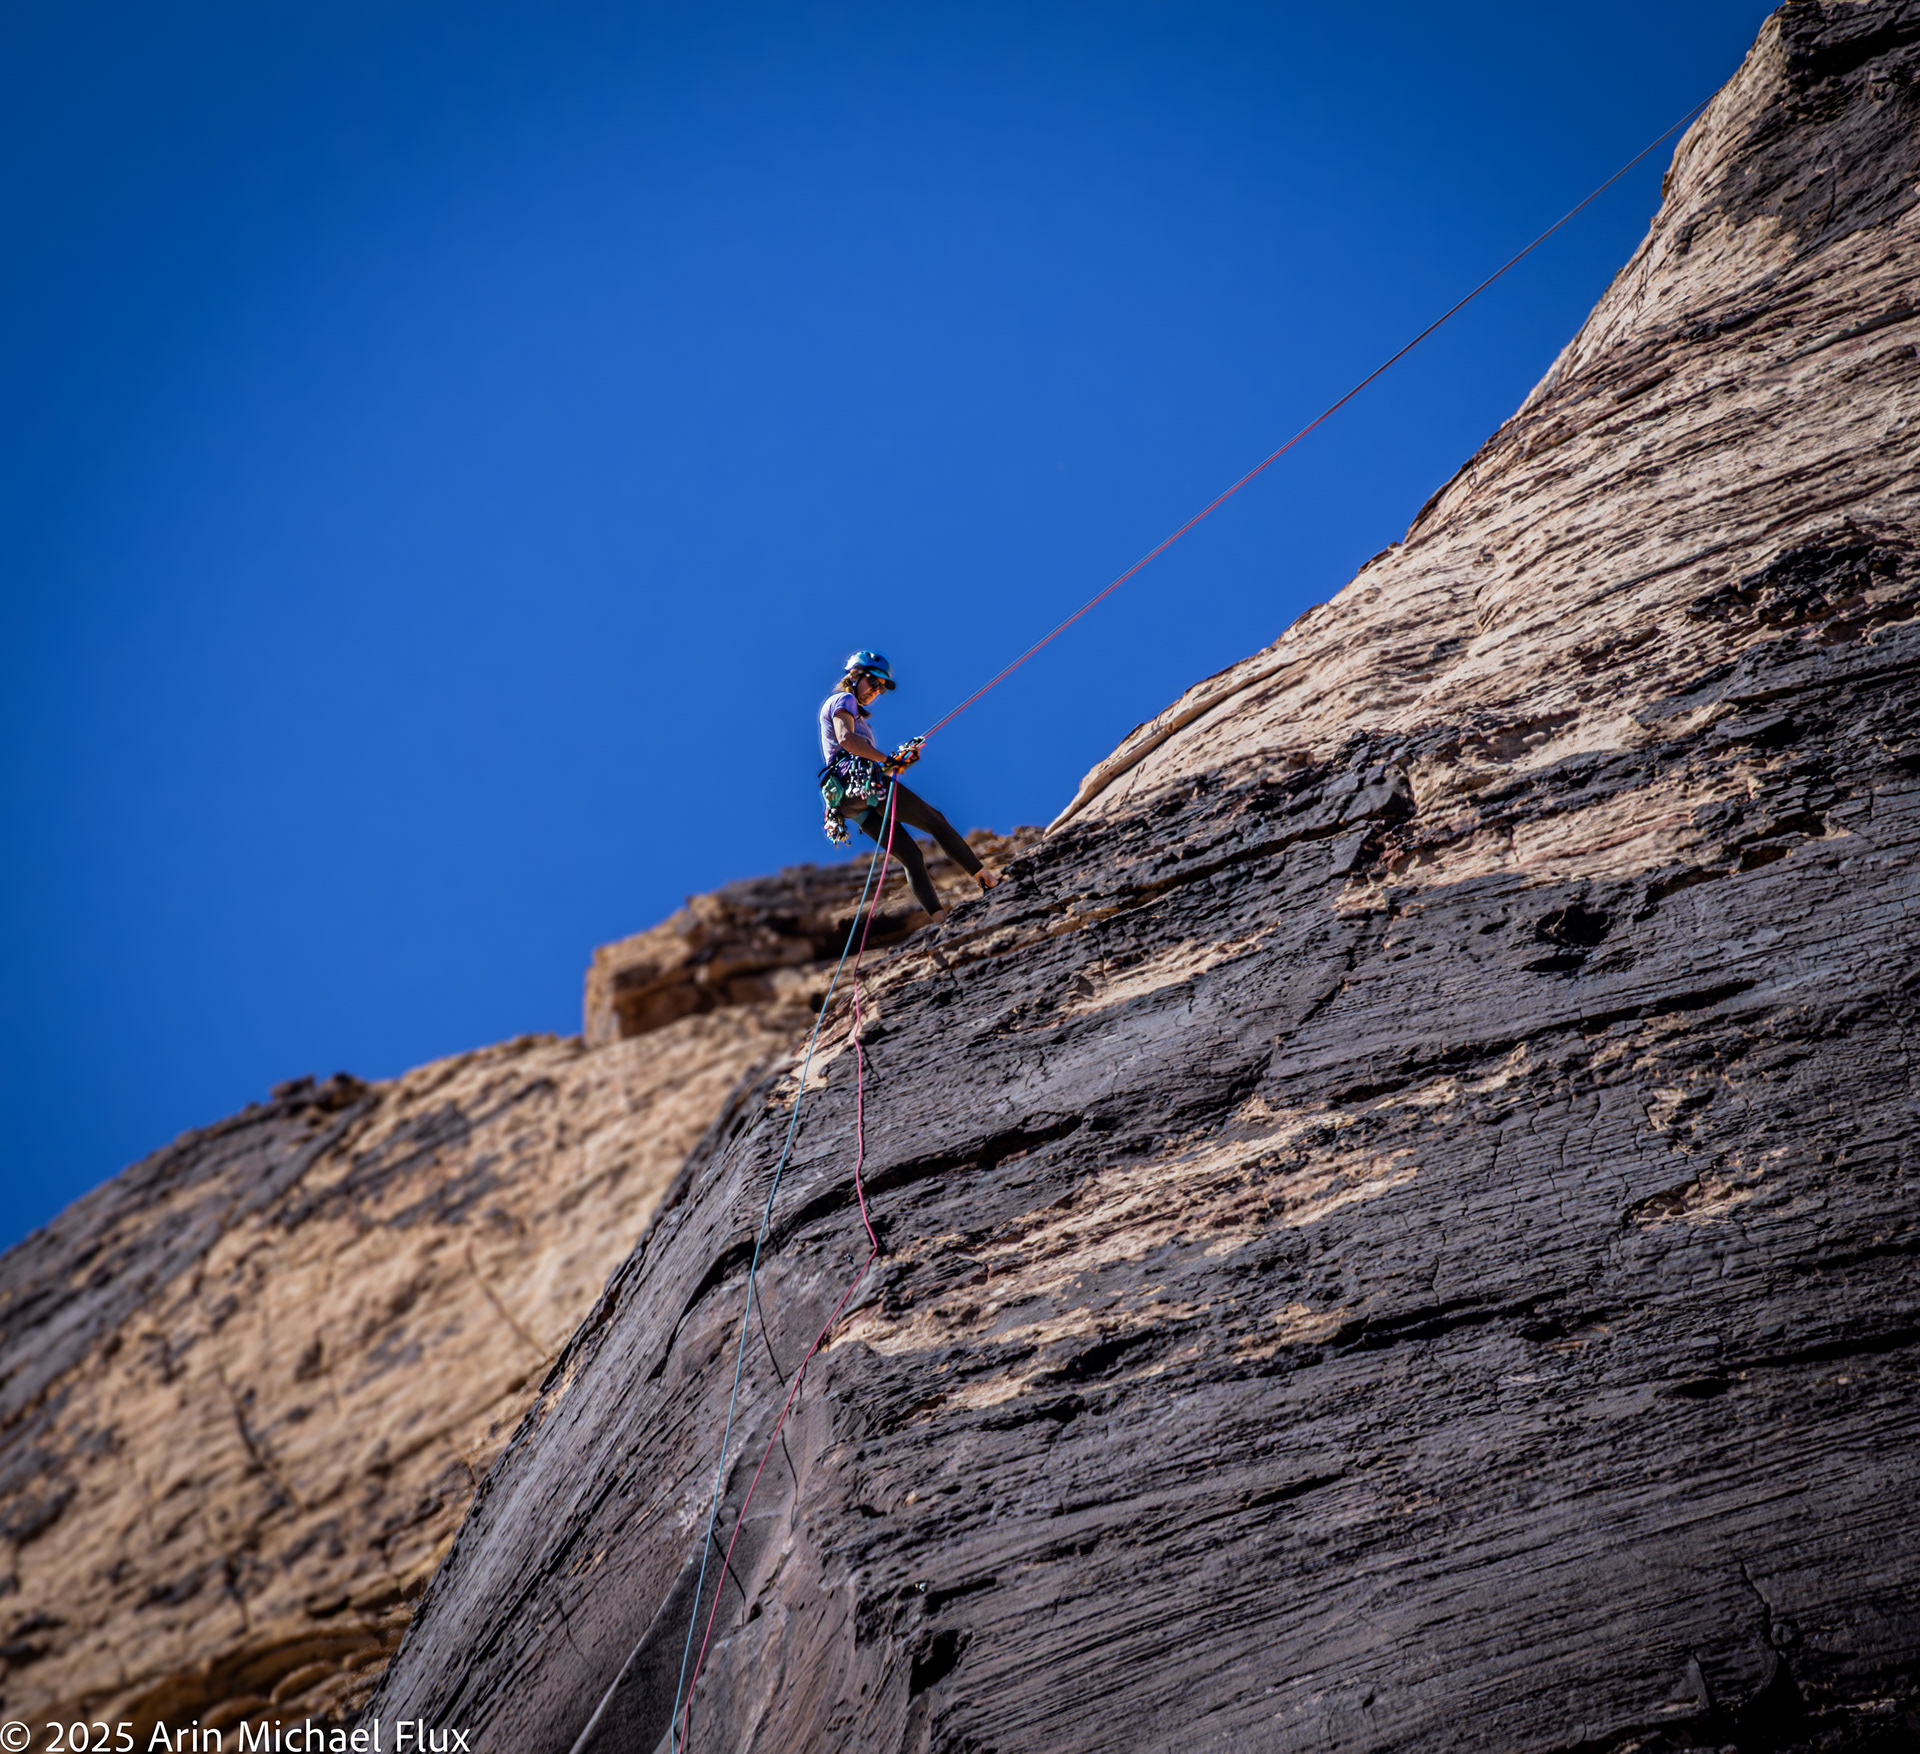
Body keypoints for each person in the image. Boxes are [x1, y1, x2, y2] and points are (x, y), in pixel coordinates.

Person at [818, 649, 1001, 919]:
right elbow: (846, 739)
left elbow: (857, 749)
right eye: (873, 682)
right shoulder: (844, 699)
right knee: (935, 821)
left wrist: (895, 761)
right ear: (855, 676)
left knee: (911, 857)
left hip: (845, 801)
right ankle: (985, 878)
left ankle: (939, 920)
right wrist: (887, 760)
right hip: (859, 783)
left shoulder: (853, 712)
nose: (876, 690)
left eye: (882, 687)